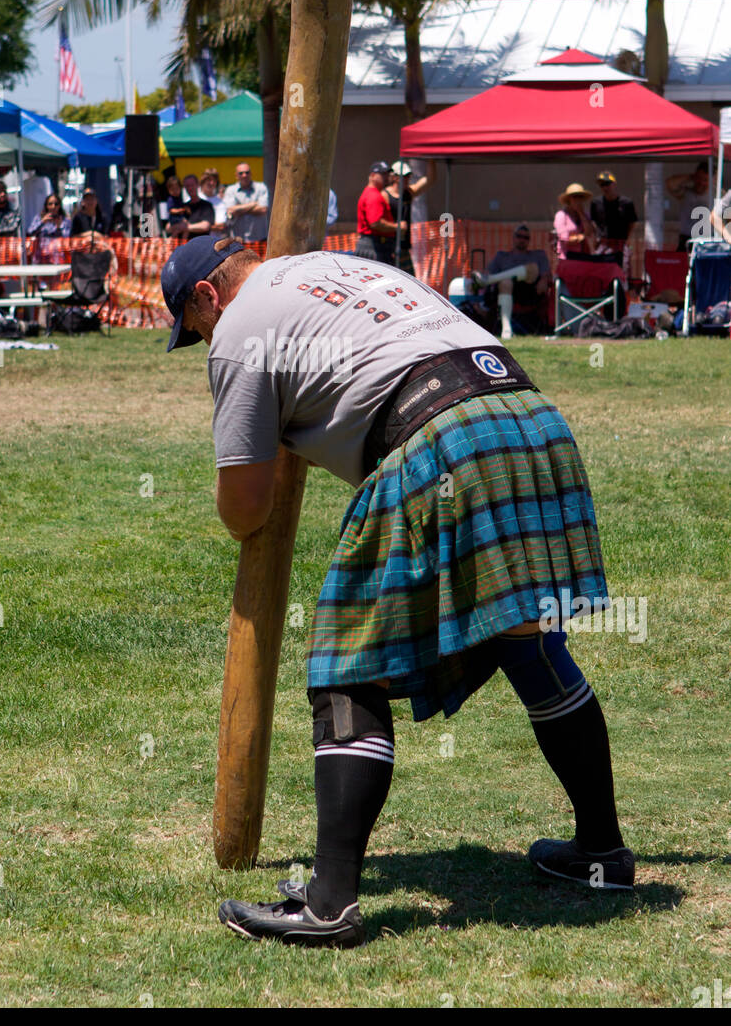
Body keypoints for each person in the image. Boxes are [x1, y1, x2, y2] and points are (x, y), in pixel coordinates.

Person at [162, 236, 633, 949]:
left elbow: (244, 510)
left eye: (194, 330)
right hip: (529, 415)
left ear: (207, 296)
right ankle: (602, 849)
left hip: (442, 437)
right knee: (526, 639)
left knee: (351, 663)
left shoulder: (236, 331)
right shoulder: (342, 267)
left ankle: (330, 903)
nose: (204, 344)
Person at [486, 224, 550, 339]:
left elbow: (545, 274)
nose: (522, 240)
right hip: (504, 290)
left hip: (529, 291)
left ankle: (494, 280)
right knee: (505, 282)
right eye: (519, 236)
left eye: (526, 238)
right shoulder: (502, 256)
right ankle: (506, 329)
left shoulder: (538, 255)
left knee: (532, 267)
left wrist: (544, 280)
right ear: (513, 237)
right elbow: (488, 273)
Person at [382, 160, 429, 276]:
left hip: (403, 248)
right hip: (389, 247)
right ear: (395, 177)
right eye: (404, 176)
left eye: (408, 176)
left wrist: (431, 159)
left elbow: (429, 180)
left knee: (409, 281)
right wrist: (396, 227)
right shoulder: (384, 196)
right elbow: (378, 222)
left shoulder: (408, 193)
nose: (407, 179)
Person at [354, 163, 403, 263]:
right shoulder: (373, 196)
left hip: (375, 246)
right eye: (382, 174)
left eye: (387, 174)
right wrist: (397, 227)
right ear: (372, 176)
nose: (386, 177)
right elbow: (375, 223)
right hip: (374, 247)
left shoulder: (374, 193)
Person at [589, 172, 637, 266]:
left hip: (620, 243)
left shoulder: (626, 203)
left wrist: (628, 238)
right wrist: (595, 239)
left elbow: (632, 222)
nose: (605, 188)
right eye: (602, 185)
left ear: (614, 184)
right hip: (603, 243)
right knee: (601, 270)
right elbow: (593, 222)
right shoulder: (596, 203)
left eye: (607, 184)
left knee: (622, 271)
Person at [667, 163, 710, 251]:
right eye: (699, 179)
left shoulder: (717, 195)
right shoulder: (686, 193)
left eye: (705, 180)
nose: (701, 183)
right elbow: (670, 183)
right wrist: (690, 177)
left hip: (708, 241)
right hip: (687, 240)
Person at [222, 164, 269, 242]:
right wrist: (253, 204)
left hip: (259, 239)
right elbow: (230, 210)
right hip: (238, 239)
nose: (244, 175)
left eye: (247, 172)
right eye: (241, 173)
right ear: (236, 176)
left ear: (251, 174)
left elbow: (263, 209)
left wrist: (238, 209)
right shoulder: (230, 190)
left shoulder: (261, 187)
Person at [553, 184, 598, 260]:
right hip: (567, 257)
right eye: (574, 197)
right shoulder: (561, 215)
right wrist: (581, 237)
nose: (577, 200)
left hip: (584, 256)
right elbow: (564, 239)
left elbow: (590, 232)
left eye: (580, 197)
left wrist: (581, 213)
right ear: (568, 200)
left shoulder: (585, 215)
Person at [29, 193, 72, 263]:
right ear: (46, 206)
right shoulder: (39, 218)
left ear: (60, 206)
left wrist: (59, 227)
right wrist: (42, 222)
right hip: (41, 257)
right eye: (50, 204)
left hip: (58, 257)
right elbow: (30, 232)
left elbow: (68, 238)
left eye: (56, 204)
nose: (53, 206)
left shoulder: (65, 220)